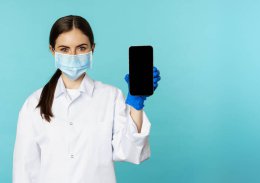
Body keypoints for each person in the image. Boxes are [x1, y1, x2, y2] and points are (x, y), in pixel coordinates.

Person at [12, 15, 161, 183]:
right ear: (52, 50)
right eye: (64, 49)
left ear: (92, 49)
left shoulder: (110, 97)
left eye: (81, 48)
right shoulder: (33, 104)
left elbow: (131, 152)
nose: (73, 55)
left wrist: (136, 103)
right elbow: (24, 171)